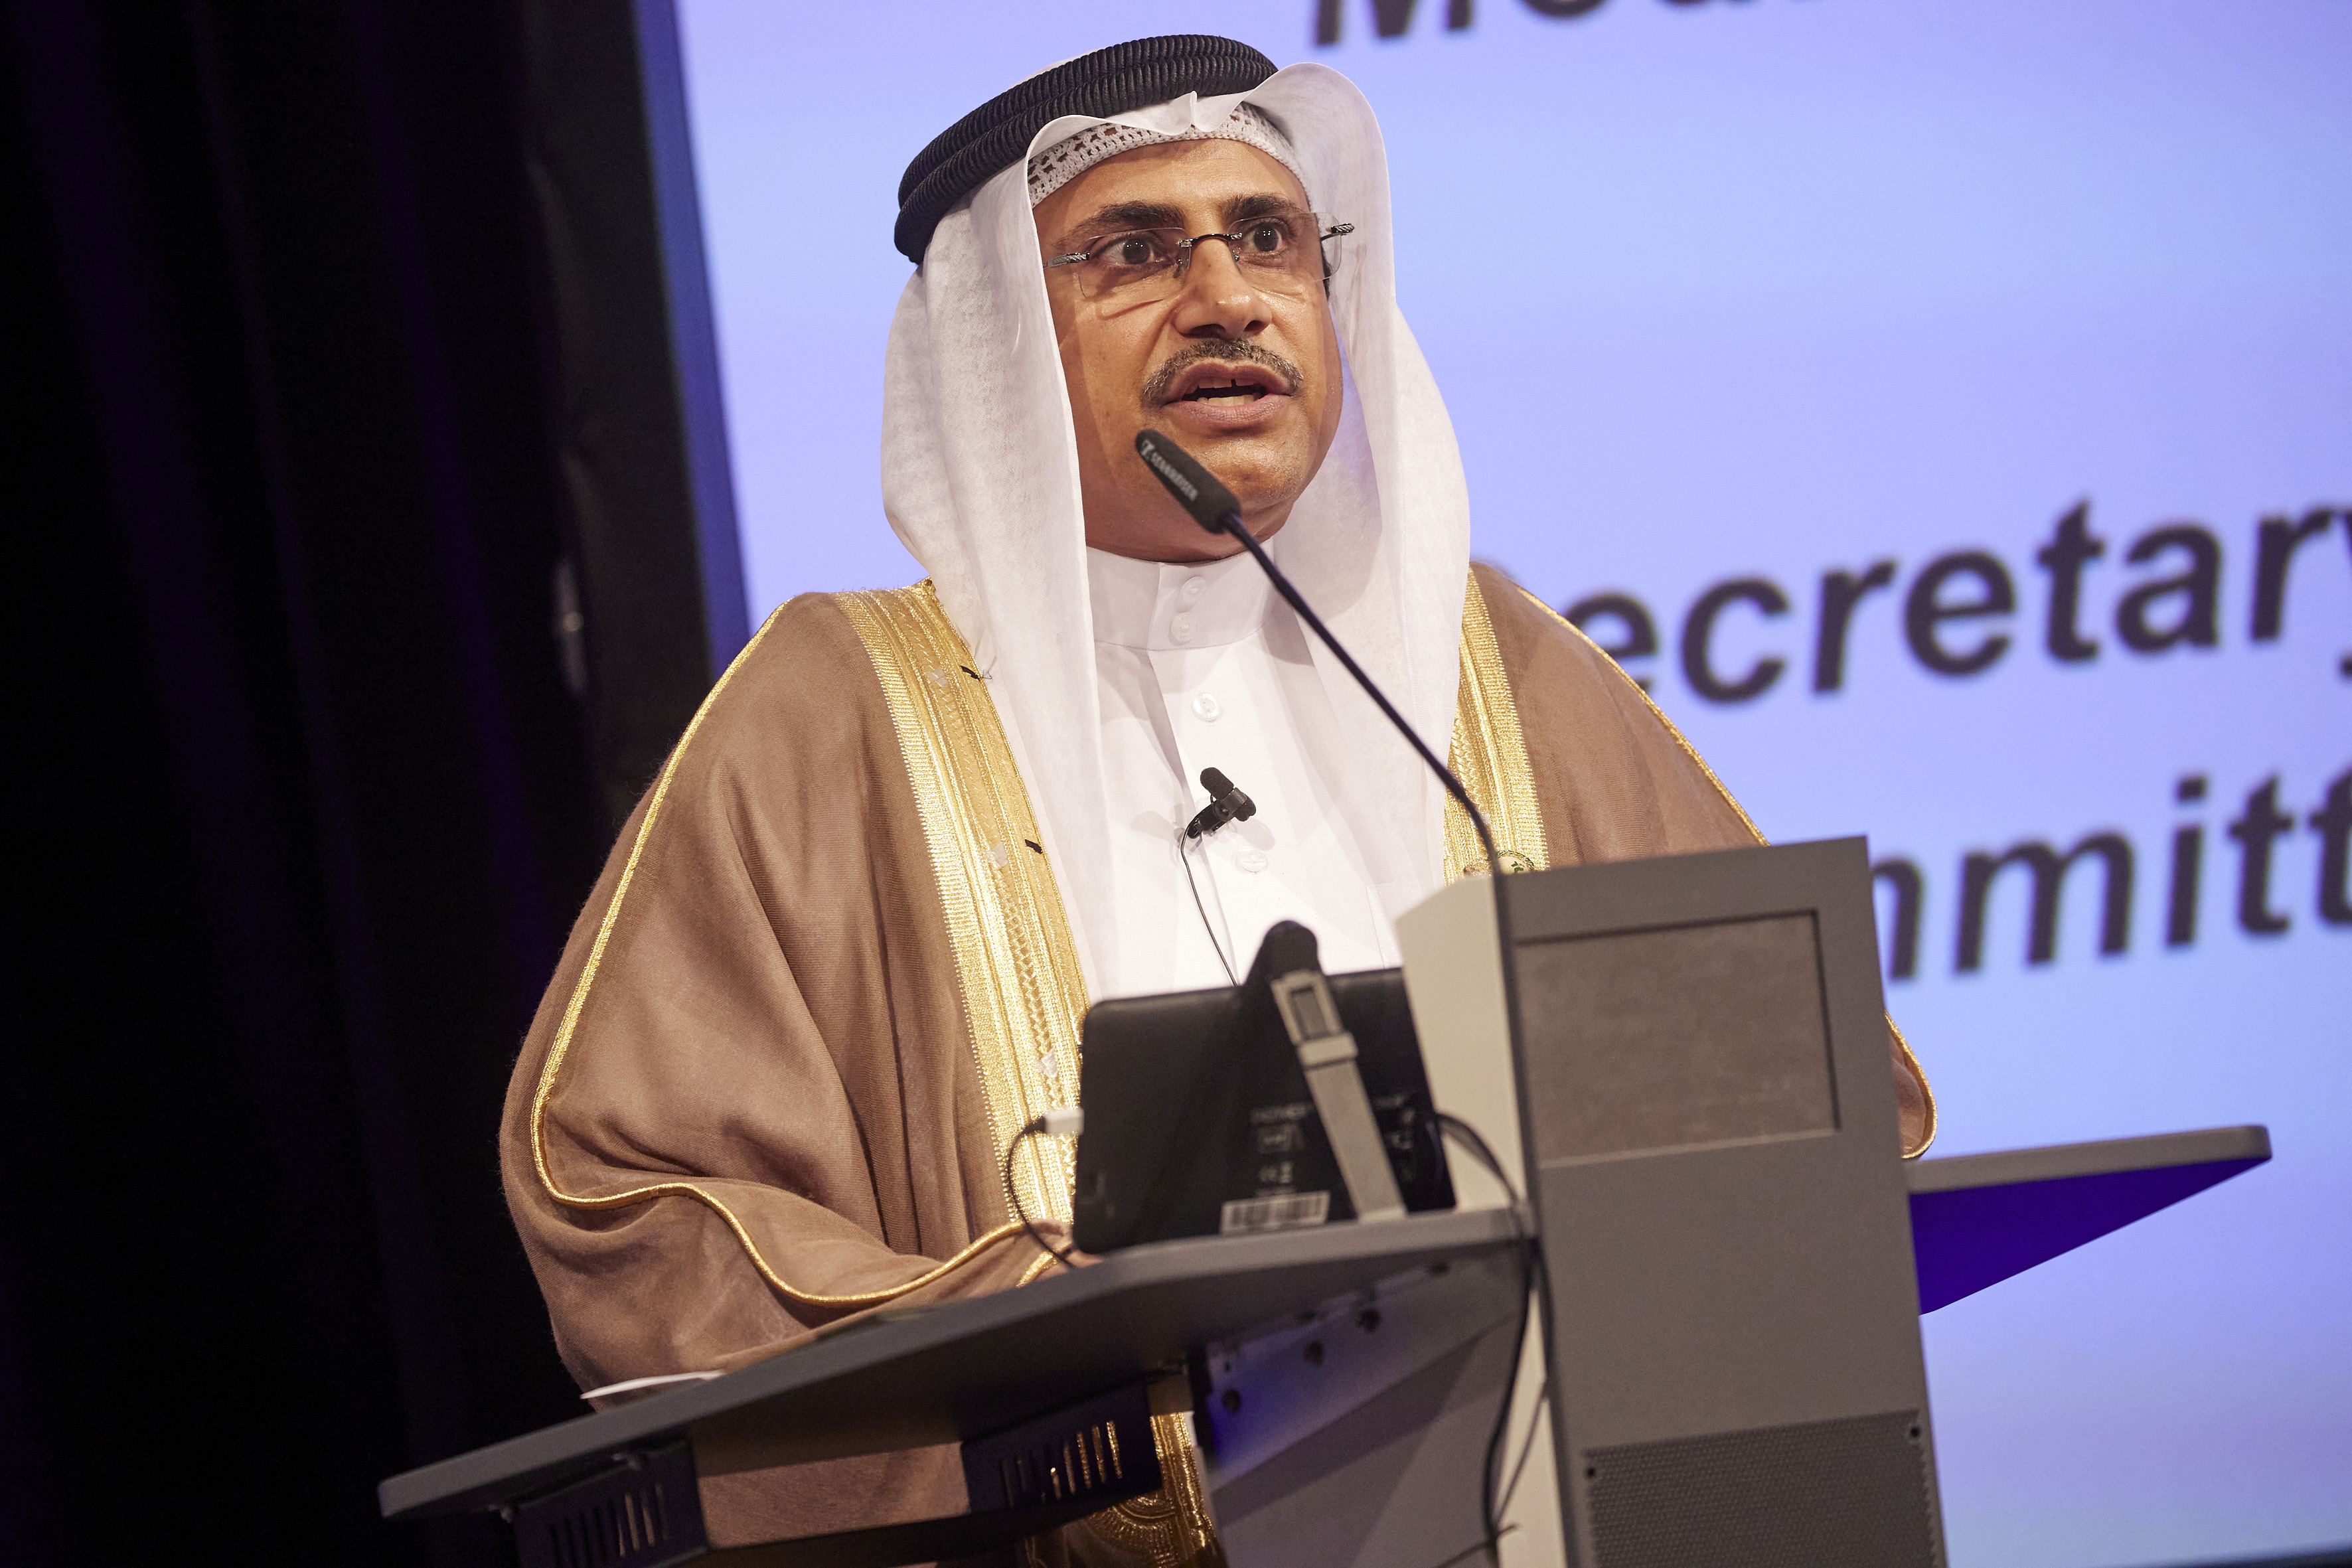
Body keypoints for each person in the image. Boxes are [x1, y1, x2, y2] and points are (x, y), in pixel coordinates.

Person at [500, 34, 1934, 1567]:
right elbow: (623, 1194)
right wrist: (1046, 1319)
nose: (1227, 297)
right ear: (993, 344)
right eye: (1132, 250)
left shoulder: (1497, 669)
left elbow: (1809, 1097)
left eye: (1268, 238)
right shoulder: (835, 707)